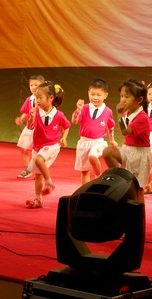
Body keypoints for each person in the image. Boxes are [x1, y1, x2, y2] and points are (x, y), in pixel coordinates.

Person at [102, 79, 152, 204]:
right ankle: (120, 178)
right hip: (127, 149)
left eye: (127, 96)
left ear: (139, 100)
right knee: (108, 152)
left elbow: (125, 131)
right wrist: (121, 115)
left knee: (137, 190)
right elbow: (123, 129)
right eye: (121, 96)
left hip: (139, 155)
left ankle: (139, 217)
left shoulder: (142, 117)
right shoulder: (129, 112)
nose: (123, 99)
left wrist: (119, 114)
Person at [25, 81, 70, 209]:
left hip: (51, 145)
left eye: (40, 98)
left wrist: (64, 138)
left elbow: (66, 126)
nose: (37, 101)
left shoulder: (59, 115)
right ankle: (38, 199)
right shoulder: (36, 112)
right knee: (37, 175)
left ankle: (49, 183)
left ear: (51, 98)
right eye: (36, 98)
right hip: (38, 146)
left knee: (39, 160)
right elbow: (30, 127)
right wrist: (31, 118)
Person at [71, 78, 116, 185]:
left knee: (93, 156)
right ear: (88, 93)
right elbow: (74, 121)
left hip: (98, 142)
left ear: (105, 95)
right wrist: (78, 110)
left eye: (99, 95)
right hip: (84, 142)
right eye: (92, 94)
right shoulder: (84, 108)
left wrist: (112, 140)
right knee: (85, 171)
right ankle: (85, 191)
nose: (95, 98)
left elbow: (111, 127)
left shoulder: (108, 111)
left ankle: (98, 177)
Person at [15, 74, 45, 179]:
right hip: (29, 127)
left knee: (37, 151)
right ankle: (27, 169)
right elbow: (25, 112)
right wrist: (21, 119)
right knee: (23, 148)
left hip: (40, 128)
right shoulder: (29, 99)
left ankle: (38, 171)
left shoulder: (45, 99)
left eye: (36, 85)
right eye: (31, 85)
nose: (33, 87)